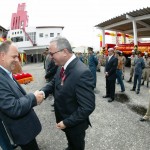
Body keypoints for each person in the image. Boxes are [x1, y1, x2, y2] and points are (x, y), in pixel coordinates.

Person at [40, 37, 95, 150]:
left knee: (77, 145)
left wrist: (66, 122)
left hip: (74, 124)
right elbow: (54, 82)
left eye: (52, 53)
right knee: (71, 143)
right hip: (65, 119)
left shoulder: (82, 72)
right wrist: (42, 92)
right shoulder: (61, 66)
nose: (50, 57)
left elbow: (87, 107)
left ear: (64, 52)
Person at [0, 41, 44, 150]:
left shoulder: (7, 72)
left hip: (25, 129)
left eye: (17, 56)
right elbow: (13, 107)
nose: (17, 60)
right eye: (14, 56)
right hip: (21, 131)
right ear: (2, 56)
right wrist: (33, 98)